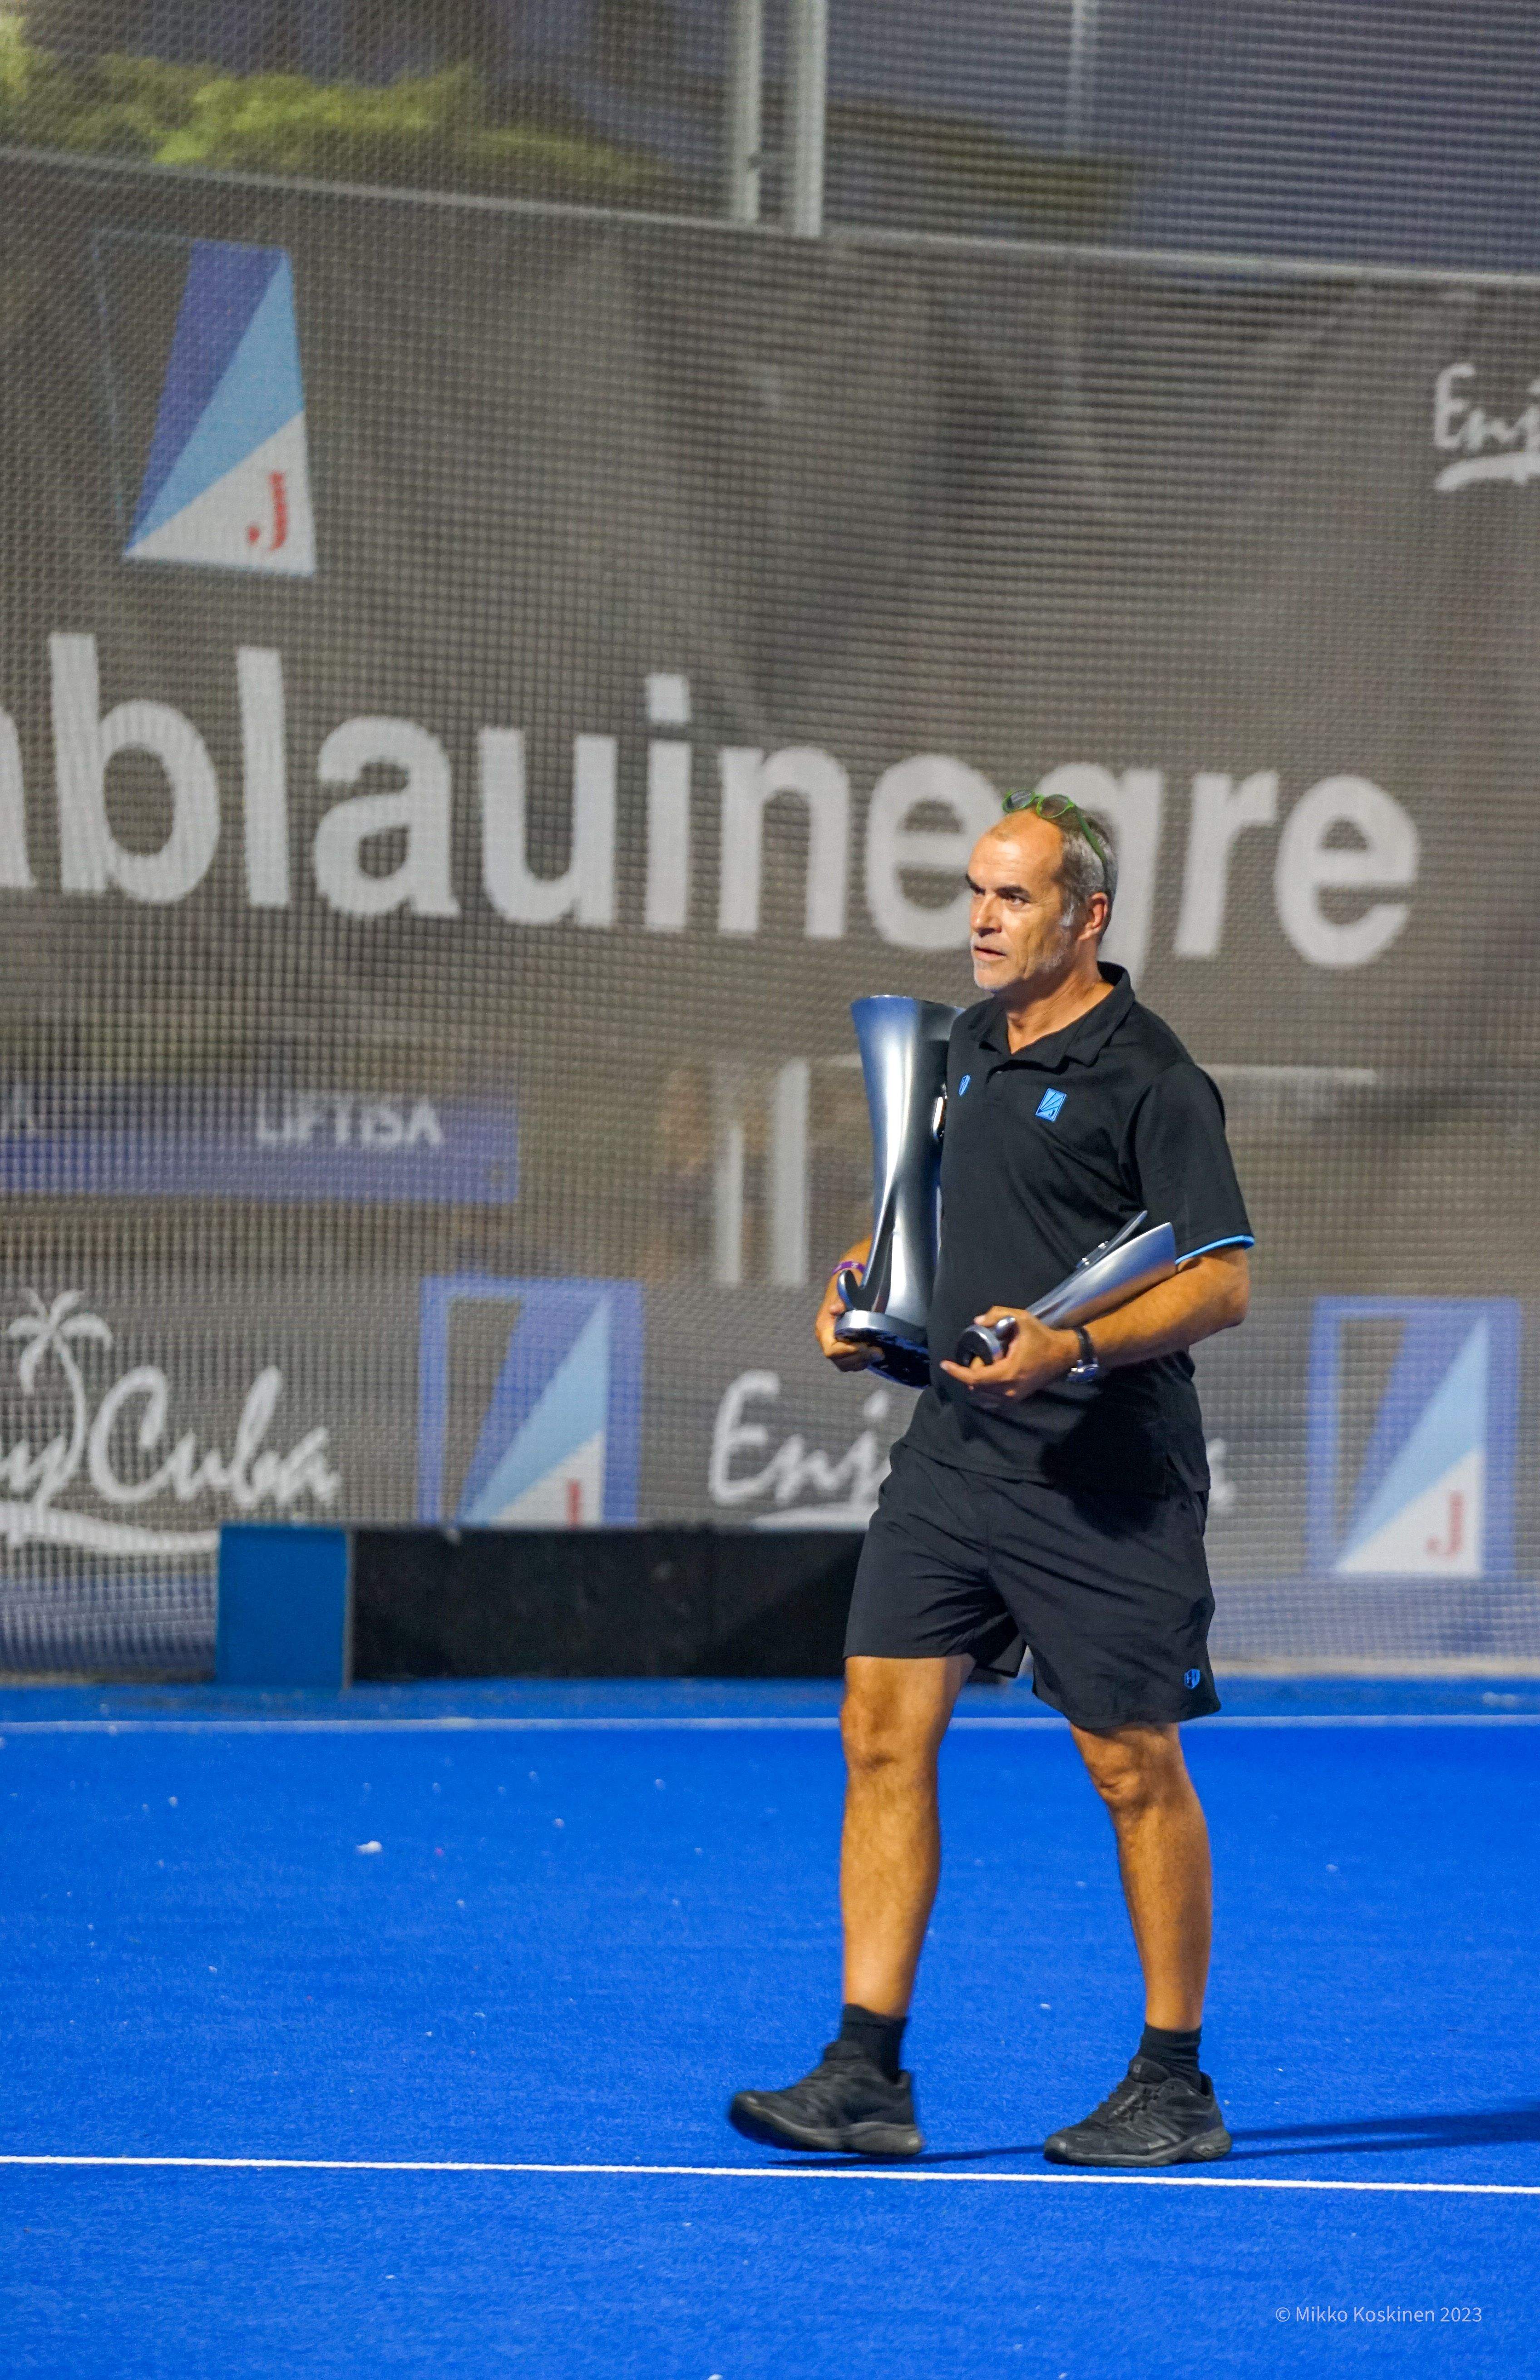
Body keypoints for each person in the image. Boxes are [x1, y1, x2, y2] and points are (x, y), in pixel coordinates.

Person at [729, 789, 1254, 2168]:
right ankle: (866, 2071)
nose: (979, 916)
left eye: (1012, 897)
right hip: (954, 1462)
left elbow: (1223, 1278)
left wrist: (1070, 1342)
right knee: (878, 1729)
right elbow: (939, 1210)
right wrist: (866, 1293)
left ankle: (1176, 2081)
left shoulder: (1156, 1076)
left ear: (1087, 916)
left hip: (1105, 1480)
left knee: (1132, 1768)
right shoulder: (967, 1043)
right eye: (974, 890)